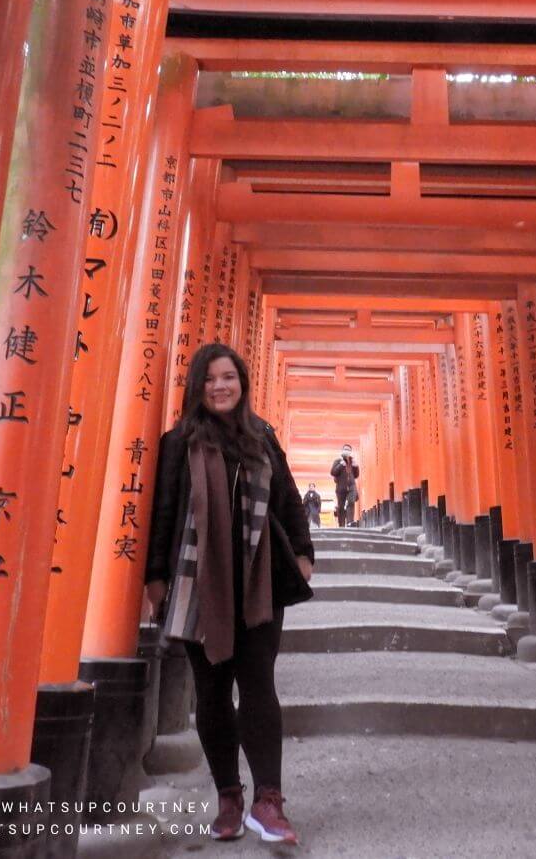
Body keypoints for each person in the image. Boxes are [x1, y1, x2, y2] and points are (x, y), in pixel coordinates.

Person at [145, 343, 314, 845]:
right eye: (210, 379)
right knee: (213, 692)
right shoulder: (178, 443)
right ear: (198, 386)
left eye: (229, 378)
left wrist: (304, 554)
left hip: (259, 584)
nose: (220, 387)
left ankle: (269, 801)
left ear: (242, 384)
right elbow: (164, 514)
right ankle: (228, 797)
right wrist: (155, 578)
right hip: (199, 587)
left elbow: (286, 498)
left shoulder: (261, 436)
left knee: (259, 683)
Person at [330, 443, 360, 527]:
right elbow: (332, 472)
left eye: (349, 450)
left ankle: (350, 522)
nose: (347, 451)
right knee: (341, 506)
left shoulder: (352, 461)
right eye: (345, 449)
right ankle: (341, 524)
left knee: (351, 502)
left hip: (351, 486)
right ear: (342, 451)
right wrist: (340, 465)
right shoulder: (338, 461)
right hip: (341, 487)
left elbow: (356, 475)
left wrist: (356, 466)